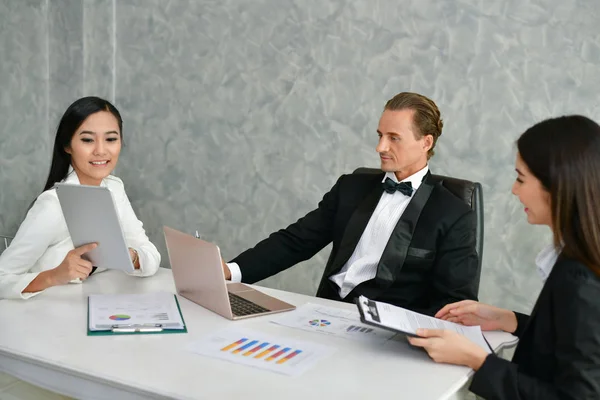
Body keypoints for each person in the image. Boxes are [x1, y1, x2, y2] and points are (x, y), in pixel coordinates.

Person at [222, 92, 479, 315]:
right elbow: (296, 241)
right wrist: (231, 271)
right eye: (380, 135)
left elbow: (453, 302)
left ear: (426, 142)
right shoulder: (351, 187)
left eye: (393, 137)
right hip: (324, 314)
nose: (380, 147)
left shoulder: (453, 214)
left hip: (387, 336)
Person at [408, 115, 600, 399]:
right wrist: (511, 320)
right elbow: (570, 341)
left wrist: (475, 360)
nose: (514, 189)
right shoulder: (580, 259)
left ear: (558, 186)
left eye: (521, 178)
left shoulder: (579, 278)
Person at [0, 96, 161, 300]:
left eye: (111, 139)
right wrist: (54, 276)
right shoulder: (53, 205)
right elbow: (2, 277)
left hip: (93, 306)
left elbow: (151, 254)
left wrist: (132, 257)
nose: (101, 150)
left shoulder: (114, 188)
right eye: (87, 140)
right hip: (46, 318)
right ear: (67, 146)